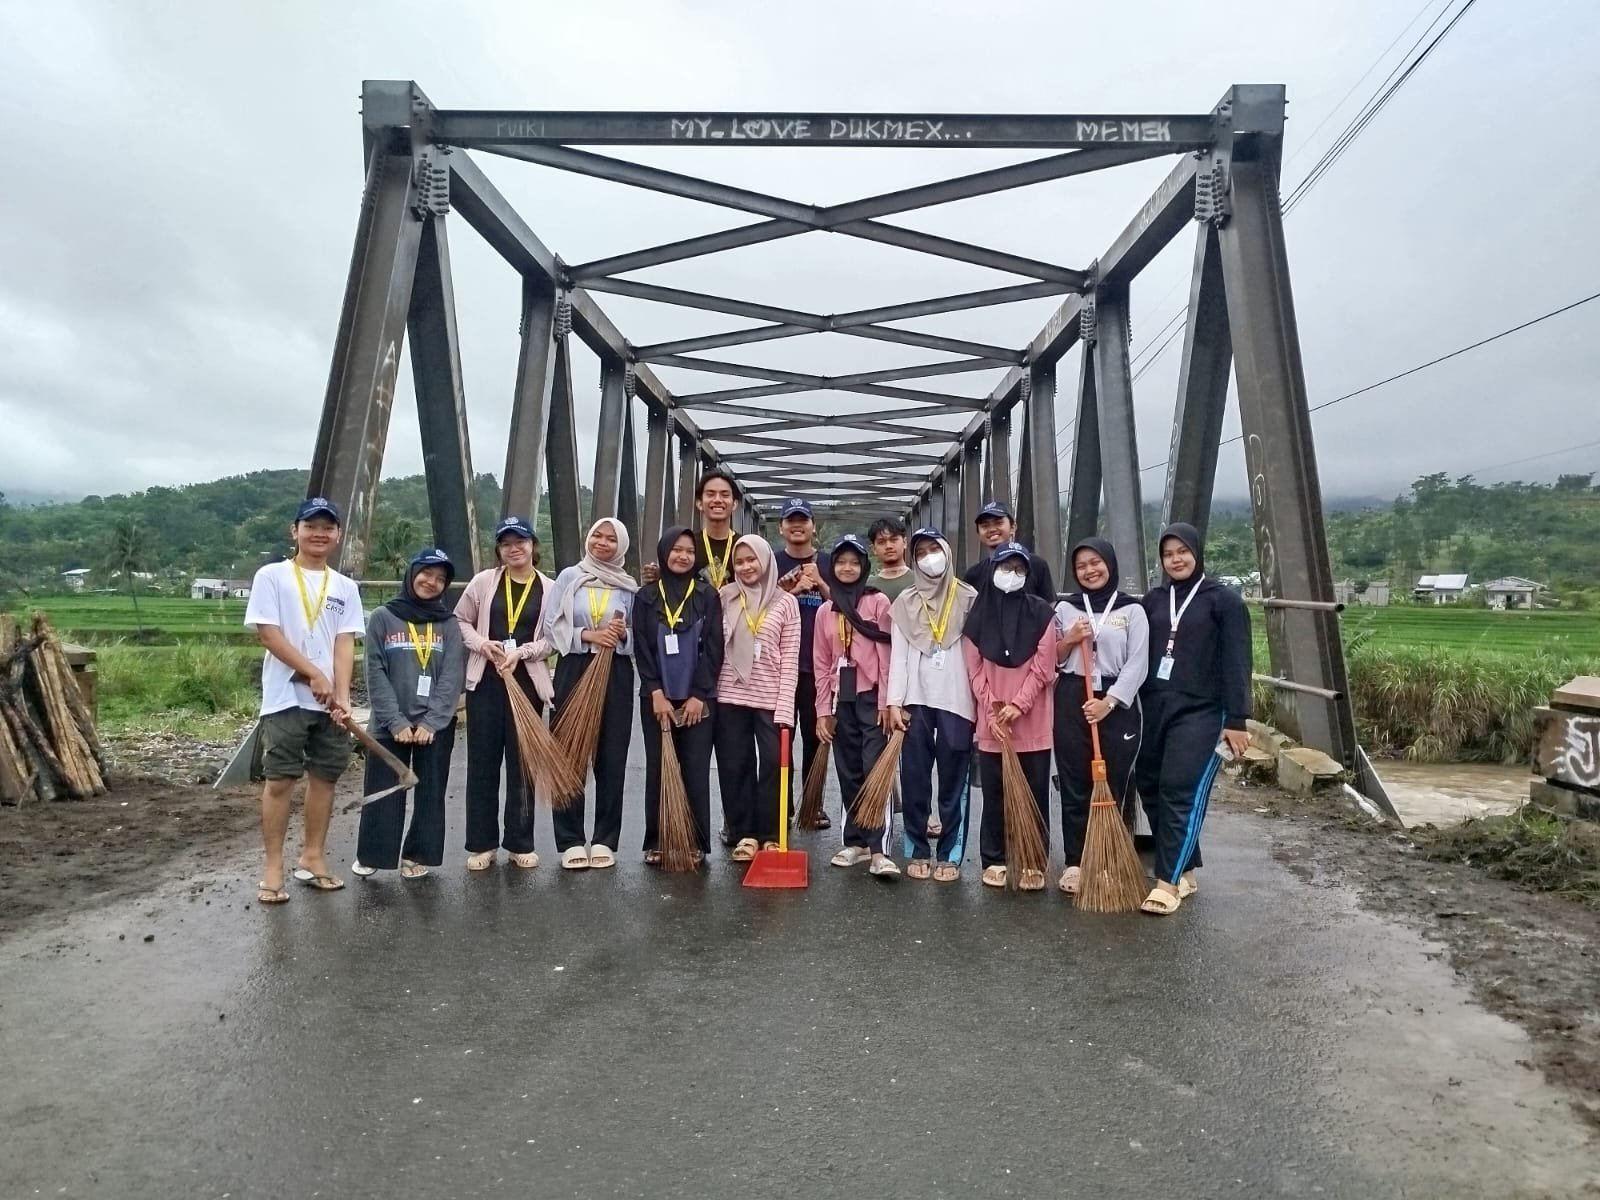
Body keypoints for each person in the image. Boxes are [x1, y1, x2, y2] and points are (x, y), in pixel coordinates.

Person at [243, 497, 366, 903]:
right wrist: (313, 673)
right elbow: (269, 633)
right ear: (294, 531)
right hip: (285, 698)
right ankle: (273, 866)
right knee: (280, 779)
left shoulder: (344, 587)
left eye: (328, 527)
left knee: (325, 779)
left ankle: (312, 858)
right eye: (311, 525)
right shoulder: (272, 576)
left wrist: (343, 696)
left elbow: (345, 642)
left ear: (338, 535)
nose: (319, 533)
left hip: (330, 704)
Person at [1135, 523, 1253, 915]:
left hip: (1203, 710)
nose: (1176, 559)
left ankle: (1168, 883)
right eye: (1169, 554)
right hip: (1155, 706)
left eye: (1183, 551)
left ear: (1197, 552)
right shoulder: (1152, 601)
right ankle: (1184, 868)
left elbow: (1238, 663)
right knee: (1149, 783)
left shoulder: (1224, 601)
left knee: (1179, 788)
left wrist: (1238, 719)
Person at [354, 548, 466, 879]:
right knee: (383, 788)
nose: (431, 582)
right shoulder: (383, 617)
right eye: (426, 574)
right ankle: (375, 853)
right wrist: (396, 721)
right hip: (391, 724)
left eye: (440, 578)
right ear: (412, 573)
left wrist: (432, 721)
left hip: (436, 725)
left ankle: (418, 854)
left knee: (431, 791)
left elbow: (451, 675)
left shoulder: (448, 624)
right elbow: (374, 672)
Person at [454, 517, 557, 871]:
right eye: (506, 543)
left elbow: (554, 638)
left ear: (533, 545)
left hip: (526, 684)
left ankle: (519, 841)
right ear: (498, 550)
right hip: (486, 683)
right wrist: (483, 645)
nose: (514, 548)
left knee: (522, 765)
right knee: (482, 764)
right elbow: (460, 621)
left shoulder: (550, 588)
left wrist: (523, 652)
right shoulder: (484, 582)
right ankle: (481, 843)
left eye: (521, 541)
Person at [1051, 537, 1149, 895]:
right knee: (1075, 781)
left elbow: (1139, 662)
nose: (1090, 570)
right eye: (1081, 566)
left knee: (1116, 781)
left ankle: (1110, 859)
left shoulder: (1131, 611)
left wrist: (1109, 701)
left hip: (1116, 701)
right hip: (1072, 694)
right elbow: (1052, 658)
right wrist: (1070, 639)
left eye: (1096, 563)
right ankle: (1076, 861)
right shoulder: (1065, 610)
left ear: (1109, 564)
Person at [961, 542, 1058, 890]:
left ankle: (1034, 859)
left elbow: (1044, 667)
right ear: (992, 572)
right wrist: (993, 708)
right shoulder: (977, 619)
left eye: (1019, 570)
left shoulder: (1042, 614)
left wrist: (1018, 705)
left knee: (1035, 792)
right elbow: (973, 670)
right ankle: (994, 857)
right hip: (993, 721)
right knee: (995, 793)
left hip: (1031, 719)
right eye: (1005, 569)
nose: (1012, 575)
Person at [544, 517, 639, 870]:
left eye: (611, 538)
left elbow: (639, 635)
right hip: (574, 668)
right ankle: (569, 839)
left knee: (611, 756)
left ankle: (604, 839)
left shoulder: (629, 587)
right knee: (568, 754)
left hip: (615, 671)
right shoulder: (570, 577)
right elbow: (552, 627)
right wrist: (588, 635)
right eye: (596, 535)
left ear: (622, 546)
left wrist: (622, 635)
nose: (602, 542)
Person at [885, 529, 977, 883]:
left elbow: (978, 657)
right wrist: (894, 701)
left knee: (955, 781)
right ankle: (917, 850)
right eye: (920, 552)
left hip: (958, 700)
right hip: (916, 701)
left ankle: (951, 853)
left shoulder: (969, 598)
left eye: (934, 549)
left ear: (948, 552)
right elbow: (899, 657)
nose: (928, 557)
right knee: (915, 779)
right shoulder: (906, 602)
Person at [633, 526, 724, 866]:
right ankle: (657, 839)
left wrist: (700, 694)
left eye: (689, 550)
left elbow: (715, 647)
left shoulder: (706, 595)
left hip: (698, 699)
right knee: (658, 768)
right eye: (676, 549)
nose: (683, 556)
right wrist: (654, 691)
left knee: (696, 769)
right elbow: (641, 649)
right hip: (657, 697)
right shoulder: (646, 596)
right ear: (664, 552)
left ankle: (695, 840)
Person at [714, 535, 801, 861]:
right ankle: (744, 833)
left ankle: (770, 833)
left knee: (774, 767)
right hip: (730, 695)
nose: (747, 567)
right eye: (740, 561)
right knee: (735, 766)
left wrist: (784, 708)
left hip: (769, 698)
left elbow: (790, 658)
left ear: (766, 561)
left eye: (753, 560)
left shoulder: (785, 602)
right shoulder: (725, 597)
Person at [813, 536, 897, 876]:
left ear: (864, 567)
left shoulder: (877, 603)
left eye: (854, 562)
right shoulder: (825, 610)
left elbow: (887, 654)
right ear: (832, 568)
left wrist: (887, 701)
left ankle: (879, 848)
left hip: (871, 696)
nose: (847, 568)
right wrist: (822, 710)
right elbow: (821, 661)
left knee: (874, 768)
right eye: (840, 562)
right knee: (847, 769)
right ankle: (856, 842)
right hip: (840, 697)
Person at [774, 497, 831, 806]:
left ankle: (813, 804)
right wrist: (789, 592)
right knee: (781, 737)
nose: (797, 525)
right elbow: (760, 608)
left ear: (812, 525)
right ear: (781, 527)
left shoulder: (830, 562)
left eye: (803, 519)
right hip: (781, 666)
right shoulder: (771, 562)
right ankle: (784, 802)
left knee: (815, 738)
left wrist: (820, 582)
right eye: (790, 520)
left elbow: (844, 604)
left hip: (818, 667)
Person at [962, 501, 1055, 601]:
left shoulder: (1037, 565)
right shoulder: (974, 574)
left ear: (1013, 527)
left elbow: (1050, 607)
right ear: (978, 534)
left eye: (998, 523)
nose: (992, 529)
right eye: (985, 526)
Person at [867, 518, 914, 602]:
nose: (888, 546)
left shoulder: (920, 581)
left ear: (905, 542)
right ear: (873, 549)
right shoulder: (867, 587)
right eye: (881, 542)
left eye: (894, 540)